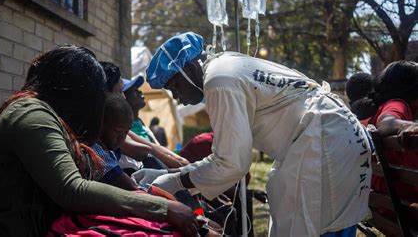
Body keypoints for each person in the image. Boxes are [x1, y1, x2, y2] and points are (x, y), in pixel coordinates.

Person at [133, 32, 373, 236]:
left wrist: (174, 180)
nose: (177, 98)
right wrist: (170, 173)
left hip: (323, 142)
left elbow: (231, 163)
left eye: (175, 86)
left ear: (190, 67)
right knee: (295, 207)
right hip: (331, 136)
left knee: (313, 224)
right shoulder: (227, 65)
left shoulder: (218, 80)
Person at [0, 45, 198, 236]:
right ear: (75, 90)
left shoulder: (45, 114)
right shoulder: (31, 115)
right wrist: (163, 207)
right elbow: (73, 190)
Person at [100, 61, 189, 169]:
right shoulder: (106, 125)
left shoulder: (139, 124)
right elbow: (142, 151)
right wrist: (179, 165)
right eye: (120, 92)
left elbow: (152, 146)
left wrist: (180, 161)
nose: (123, 97)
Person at [354, 61, 418, 205]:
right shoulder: (397, 105)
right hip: (405, 208)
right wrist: (407, 126)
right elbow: (386, 123)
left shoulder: (374, 112)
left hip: (386, 206)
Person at [93, 93, 138, 190]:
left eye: (126, 132)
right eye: (118, 131)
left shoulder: (111, 151)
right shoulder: (95, 149)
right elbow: (130, 186)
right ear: (101, 124)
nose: (121, 138)